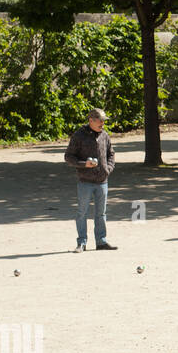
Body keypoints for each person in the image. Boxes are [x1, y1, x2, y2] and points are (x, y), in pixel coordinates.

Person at [64, 107, 118, 251]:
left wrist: (108, 169)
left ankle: (101, 241)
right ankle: (81, 243)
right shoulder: (79, 135)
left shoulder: (105, 135)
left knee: (101, 213)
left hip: (102, 181)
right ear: (91, 120)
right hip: (85, 181)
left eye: (104, 121)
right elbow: (68, 157)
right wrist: (84, 164)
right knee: (82, 213)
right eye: (100, 121)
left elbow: (111, 154)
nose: (103, 124)